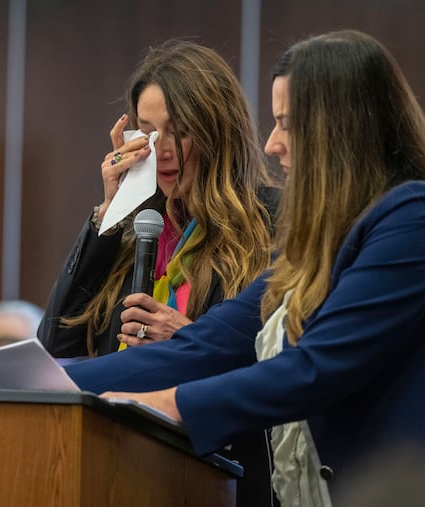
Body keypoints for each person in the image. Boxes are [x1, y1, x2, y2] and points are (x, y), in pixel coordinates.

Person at [64, 29, 425, 505]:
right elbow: (206, 345)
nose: (274, 144)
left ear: (341, 128)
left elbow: (316, 368)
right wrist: (36, 379)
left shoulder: (421, 221)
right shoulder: (313, 246)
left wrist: (167, 404)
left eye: (286, 123)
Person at [37, 40, 279, 506]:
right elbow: (56, 345)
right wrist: (108, 215)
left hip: (224, 479)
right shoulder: (131, 233)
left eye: (179, 132)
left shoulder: (272, 222)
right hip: (121, 474)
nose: (162, 150)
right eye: (147, 133)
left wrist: (190, 339)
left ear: (217, 132)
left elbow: (281, 357)